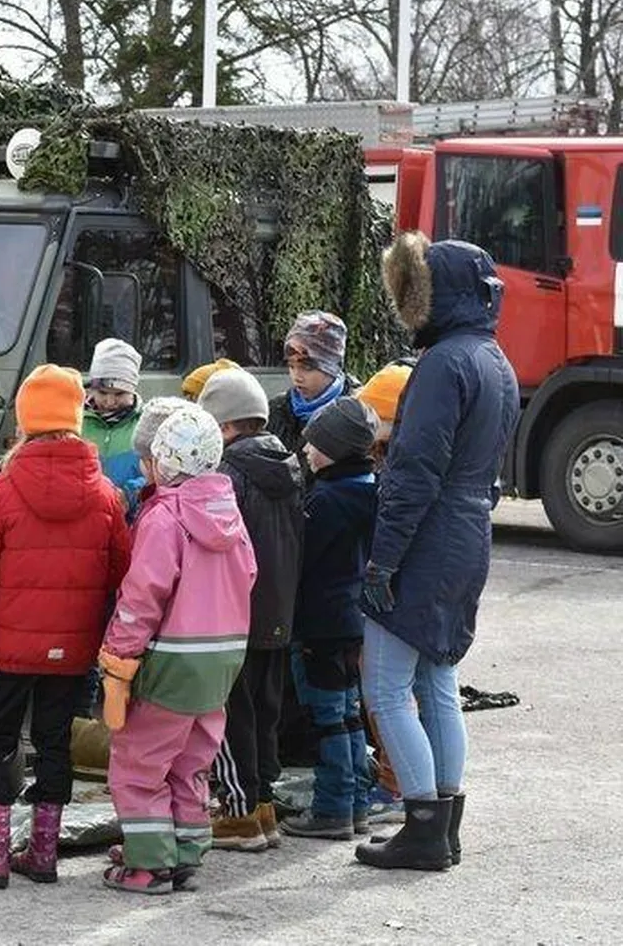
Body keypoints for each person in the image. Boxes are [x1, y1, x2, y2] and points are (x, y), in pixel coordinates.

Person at [357, 233, 519, 872]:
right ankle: (442, 825)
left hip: (427, 537)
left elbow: (413, 472)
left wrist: (382, 563)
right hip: (470, 533)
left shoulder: (443, 365)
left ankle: (422, 826)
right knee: (438, 678)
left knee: (388, 686)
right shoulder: (495, 361)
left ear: (432, 294)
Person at [0, 365, 131, 890]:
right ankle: (44, 851)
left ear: (25, 421)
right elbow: (119, 571)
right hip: (74, 647)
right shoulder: (106, 496)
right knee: (55, 742)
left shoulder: (2, 491)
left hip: (9, 646)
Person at [98, 403, 256, 894]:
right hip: (224, 657)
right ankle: (186, 850)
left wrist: (118, 656)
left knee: (139, 762)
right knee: (192, 760)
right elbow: (249, 576)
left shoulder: (164, 517)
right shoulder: (230, 514)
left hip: (172, 656)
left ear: (163, 463)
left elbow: (142, 594)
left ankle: (149, 864)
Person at [196, 368, 304, 852]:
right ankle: (263, 808)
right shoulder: (290, 466)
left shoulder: (229, 474)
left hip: (238, 612)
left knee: (232, 715)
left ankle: (239, 816)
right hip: (279, 610)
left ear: (223, 427)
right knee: (265, 712)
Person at [278, 396, 379, 841]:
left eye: (314, 445)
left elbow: (302, 559)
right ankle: (356, 800)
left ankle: (333, 805)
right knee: (349, 711)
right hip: (352, 621)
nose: (306, 451)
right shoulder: (369, 490)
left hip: (319, 621)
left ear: (335, 451)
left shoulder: (327, 500)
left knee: (326, 717)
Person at [354, 359, 414, 825]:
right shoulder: (392, 460)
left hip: (389, 599)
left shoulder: (396, 472)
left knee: (385, 692)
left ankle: (395, 785)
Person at [266, 311, 352, 463]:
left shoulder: (355, 412)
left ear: (330, 367)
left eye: (307, 368)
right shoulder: (276, 409)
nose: (296, 376)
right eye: (291, 366)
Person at [82, 339, 146, 519]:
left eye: (119, 394)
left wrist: (130, 494)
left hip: (130, 518)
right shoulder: (76, 421)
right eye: (102, 393)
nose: (110, 402)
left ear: (132, 390)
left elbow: (158, 472)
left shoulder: (146, 424)